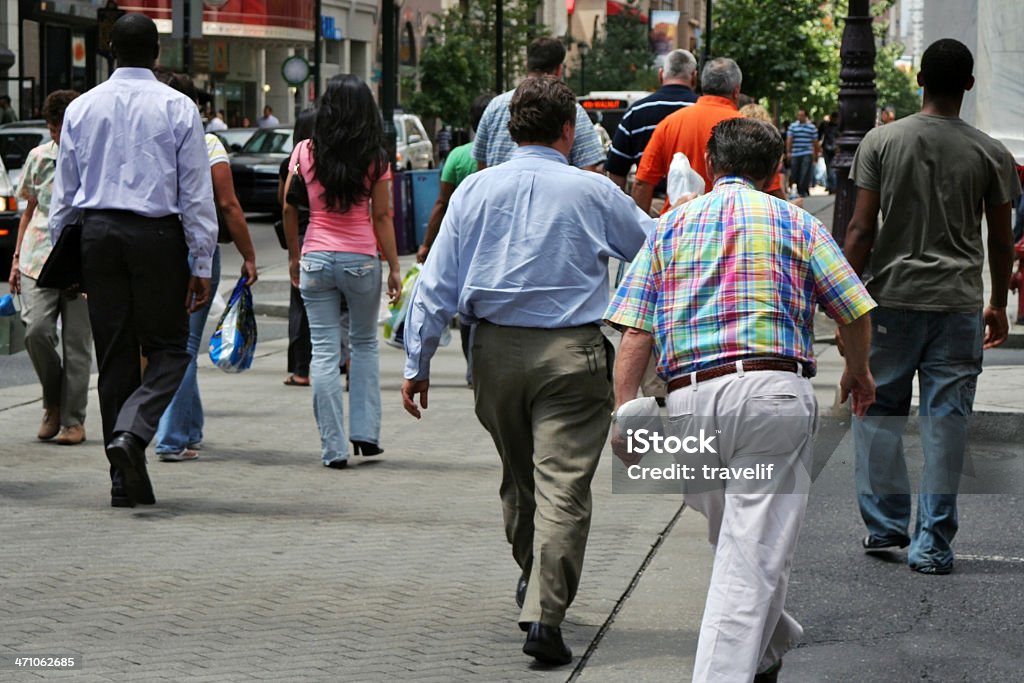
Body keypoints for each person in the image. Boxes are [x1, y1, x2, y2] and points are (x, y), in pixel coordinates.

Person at [607, 117, 877, 682]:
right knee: (751, 547)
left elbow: (635, 330)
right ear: (777, 171)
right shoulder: (797, 222)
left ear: (710, 164)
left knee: (741, 539)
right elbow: (852, 307)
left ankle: (769, 650)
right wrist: (857, 370)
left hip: (690, 404)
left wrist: (625, 408)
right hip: (771, 398)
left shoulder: (668, 226)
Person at [401, 77, 652, 666]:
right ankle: (546, 612)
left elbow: (436, 285)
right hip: (573, 356)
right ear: (570, 131)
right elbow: (655, 250)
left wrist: (418, 362)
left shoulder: (474, 189)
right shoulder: (593, 192)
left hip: (492, 356)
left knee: (519, 481)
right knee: (563, 485)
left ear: (511, 129)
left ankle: (534, 584)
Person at [843, 38, 1021, 575]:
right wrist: (996, 301)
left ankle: (885, 523)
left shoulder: (880, 141)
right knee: (946, 426)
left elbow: (859, 229)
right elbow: (999, 237)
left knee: (878, 414)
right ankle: (933, 545)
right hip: (958, 306)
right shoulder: (991, 153)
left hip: (891, 303)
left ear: (919, 79)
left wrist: (845, 304)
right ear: (969, 85)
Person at [48, 13, 217, 508]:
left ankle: (124, 480)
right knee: (169, 349)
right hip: (157, 237)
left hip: (98, 236)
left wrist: (71, 257)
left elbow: (66, 195)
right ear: (157, 53)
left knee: (115, 357)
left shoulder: (82, 108)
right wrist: (201, 261)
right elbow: (196, 194)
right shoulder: (178, 107)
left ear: (110, 51)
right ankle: (133, 433)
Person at [283, 74, 401, 468]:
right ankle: (366, 435)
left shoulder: (304, 150)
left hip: (316, 257)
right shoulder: (376, 157)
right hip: (360, 260)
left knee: (323, 352)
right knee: (364, 345)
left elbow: (289, 206)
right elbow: (382, 216)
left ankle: (332, 449)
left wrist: (294, 257)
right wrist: (395, 267)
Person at [152, 71, 258, 463]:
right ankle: (172, 438)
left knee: (174, 343)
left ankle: (190, 429)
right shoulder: (207, 141)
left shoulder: (152, 143)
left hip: (156, 249)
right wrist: (248, 255)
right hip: (197, 250)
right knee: (185, 346)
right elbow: (228, 205)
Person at [8, 90, 91, 446]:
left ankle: (73, 420)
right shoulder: (39, 157)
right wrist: (15, 259)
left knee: (77, 345)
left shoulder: (95, 155)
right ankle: (52, 402)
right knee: (36, 331)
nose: (59, 135)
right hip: (38, 255)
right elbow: (29, 210)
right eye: (54, 128)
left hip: (83, 257)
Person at [417, 94, 494, 386]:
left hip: (463, 244)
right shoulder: (504, 156)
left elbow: (442, 203)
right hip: (491, 244)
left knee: (467, 309)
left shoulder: (458, 157)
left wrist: (427, 244)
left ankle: (473, 368)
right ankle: (481, 366)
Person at [472, 37, 605, 171]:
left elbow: (481, 164)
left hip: (499, 189)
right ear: (558, 70)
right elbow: (589, 168)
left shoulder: (494, 106)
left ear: (527, 65)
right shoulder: (571, 110)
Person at [632, 57, 744, 214]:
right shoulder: (745, 128)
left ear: (700, 83)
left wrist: (643, 231)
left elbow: (643, 183)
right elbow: (769, 186)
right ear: (736, 91)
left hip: (677, 224)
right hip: (728, 226)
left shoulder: (669, 124)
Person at [606, 48, 698, 192]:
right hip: (697, 206)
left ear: (661, 74)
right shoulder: (701, 109)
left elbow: (616, 172)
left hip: (649, 206)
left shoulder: (636, 111)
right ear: (694, 76)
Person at [279, 109, 318, 388]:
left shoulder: (289, 163)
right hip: (325, 235)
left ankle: (300, 369)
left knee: (300, 306)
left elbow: (284, 204)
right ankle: (342, 362)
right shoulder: (330, 160)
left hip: (302, 236)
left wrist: (293, 253)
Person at [785, 108, 819, 198]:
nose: (800, 117)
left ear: (806, 116)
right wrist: (788, 152)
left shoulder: (811, 127)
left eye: (802, 115)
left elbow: (815, 142)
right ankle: (798, 188)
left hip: (807, 152)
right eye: (799, 115)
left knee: (804, 172)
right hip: (795, 153)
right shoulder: (793, 126)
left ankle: (802, 190)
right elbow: (789, 140)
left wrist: (816, 154)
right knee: (795, 172)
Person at [818, 111, 838, 193]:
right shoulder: (825, 125)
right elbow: (819, 135)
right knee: (830, 169)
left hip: (833, 149)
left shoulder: (837, 126)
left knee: (831, 169)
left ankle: (832, 187)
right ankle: (832, 187)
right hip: (828, 149)